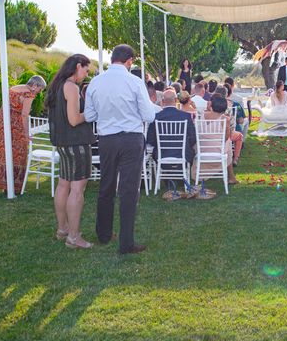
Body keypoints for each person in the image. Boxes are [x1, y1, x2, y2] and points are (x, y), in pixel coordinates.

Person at [84, 44, 156, 254]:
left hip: (106, 139)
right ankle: (126, 242)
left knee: (106, 186)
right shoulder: (134, 82)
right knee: (128, 190)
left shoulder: (96, 82)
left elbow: (89, 116)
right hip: (131, 139)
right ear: (129, 61)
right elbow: (149, 116)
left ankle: (104, 234)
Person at [46, 54, 95, 249]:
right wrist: (91, 113)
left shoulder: (57, 86)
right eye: (85, 69)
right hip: (76, 144)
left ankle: (62, 229)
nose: (86, 73)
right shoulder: (71, 87)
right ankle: (74, 237)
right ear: (77, 66)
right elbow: (74, 119)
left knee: (63, 186)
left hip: (63, 143)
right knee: (77, 190)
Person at [0, 75, 47, 193]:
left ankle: (3, 183)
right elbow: (24, 115)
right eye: (40, 89)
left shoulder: (14, 87)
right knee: (18, 151)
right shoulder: (29, 93)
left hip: (2, 119)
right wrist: (26, 134)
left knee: (2, 149)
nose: (39, 92)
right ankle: (14, 186)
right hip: (14, 122)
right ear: (35, 85)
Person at [146, 89, 197, 187]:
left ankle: (169, 177)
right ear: (176, 100)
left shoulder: (156, 117)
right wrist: (185, 146)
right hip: (183, 154)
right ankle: (180, 176)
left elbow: (150, 139)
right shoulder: (185, 116)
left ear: (163, 101)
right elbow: (193, 137)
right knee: (191, 150)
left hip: (162, 154)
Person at [203, 95, 239, 184]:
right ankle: (231, 176)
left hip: (202, 149)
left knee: (228, 144)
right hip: (217, 150)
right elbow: (226, 137)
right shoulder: (225, 119)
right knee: (229, 143)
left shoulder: (201, 115)